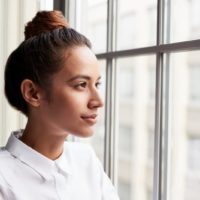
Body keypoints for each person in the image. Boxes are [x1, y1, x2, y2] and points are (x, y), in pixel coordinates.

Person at [0, 10, 120, 200]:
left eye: (97, 84)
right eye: (81, 85)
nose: (98, 101)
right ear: (33, 93)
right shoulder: (3, 178)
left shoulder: (86, 159)